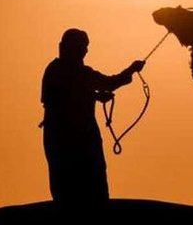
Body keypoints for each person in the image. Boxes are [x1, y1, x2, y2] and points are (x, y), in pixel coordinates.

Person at [41, 28, 145, 213]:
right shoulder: (78, 73)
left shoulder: (53, 70)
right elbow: (109, 83)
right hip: (78, 140)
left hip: (57, 137)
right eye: (83, 47)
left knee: (64, 188)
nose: (85, 51)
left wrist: (94, 96)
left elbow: (67, 96)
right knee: (89, 187)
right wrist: (132, 70)